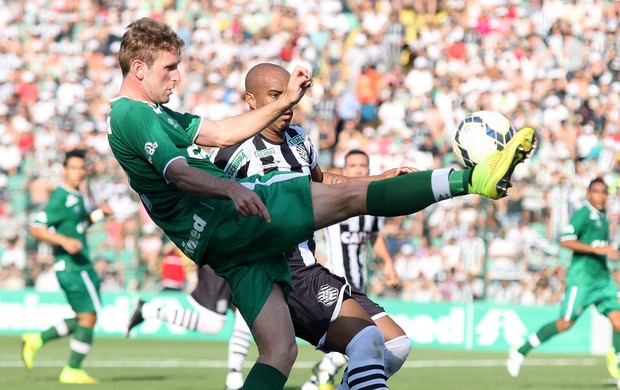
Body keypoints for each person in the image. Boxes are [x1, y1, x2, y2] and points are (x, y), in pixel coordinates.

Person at [108, 18, 534, 390]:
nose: (177, 77)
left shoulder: (159, 115)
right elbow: (179, 171)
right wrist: (233, 190)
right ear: (139, 68)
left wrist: (285, 100)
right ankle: (473, 179)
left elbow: (220, 131)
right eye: (169, 68)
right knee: (354, 202)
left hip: (226, 246)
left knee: (279, 353)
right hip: (235, 221)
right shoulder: (133, 113)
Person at [301, 149, 401, 390]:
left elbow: (375, 236)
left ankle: (323, 378)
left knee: (368, 343)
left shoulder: (373, 206)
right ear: (344, 171)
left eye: (362, 166)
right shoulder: (335, 199)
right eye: (353, 166)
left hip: (359, 284)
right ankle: (321, 376)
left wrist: (388, 262)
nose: (358, 170)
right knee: (370, 341)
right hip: (338, 283)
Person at [506, 177, 620, 384]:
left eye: (604, 192)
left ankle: (618, 365)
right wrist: (597, 249)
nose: (601, 196)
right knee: (565, 323)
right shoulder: (583, 215)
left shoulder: (602, 217)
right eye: (596, 191)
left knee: (619, 321)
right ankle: (520, 351)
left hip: (602, 280)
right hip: (582, 281)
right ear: (588, 194)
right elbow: (566, 240)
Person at [21, 149, 112, 384]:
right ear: (64, 170)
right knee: (89, 317)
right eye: (73, 168)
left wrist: (101, 214)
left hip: (79, 264)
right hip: (72, 266)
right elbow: (36, 227)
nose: (78, 172)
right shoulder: (61, 196)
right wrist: (62, 241)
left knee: (85, 317)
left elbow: (80, 224)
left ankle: (37, 339)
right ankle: (71, 369)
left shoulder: (77, 196)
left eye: (82, 168)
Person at [126, 265, 251, 390]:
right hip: (224, 258)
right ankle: (148, 310)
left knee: (245, 310)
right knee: (213, 325)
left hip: (242, 259)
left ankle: (234, 378)